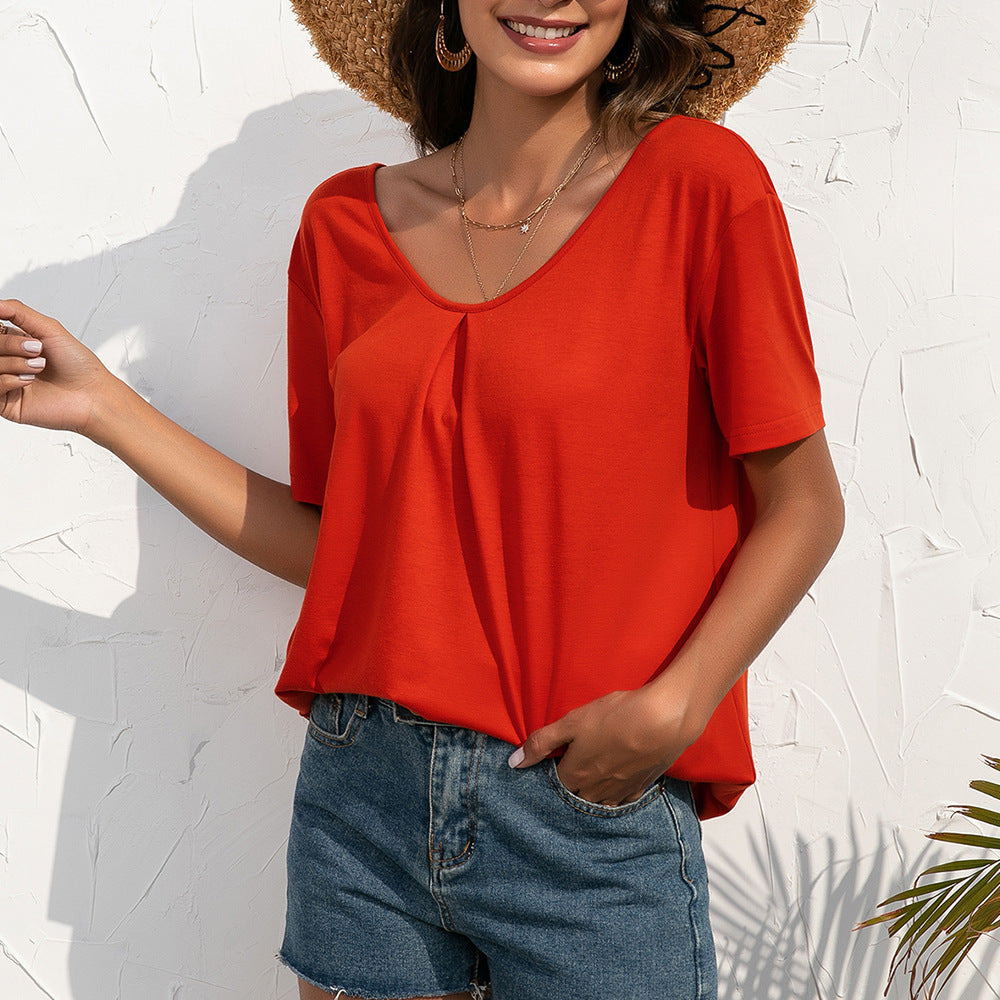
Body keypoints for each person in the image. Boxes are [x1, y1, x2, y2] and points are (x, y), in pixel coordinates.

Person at [0, 0, 844, 997]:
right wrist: (103, 408)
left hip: (587, 811)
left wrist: (672, 708)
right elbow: (347, 549)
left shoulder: (700, 185)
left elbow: (804, 503)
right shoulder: (343, 224)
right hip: (365, 802)